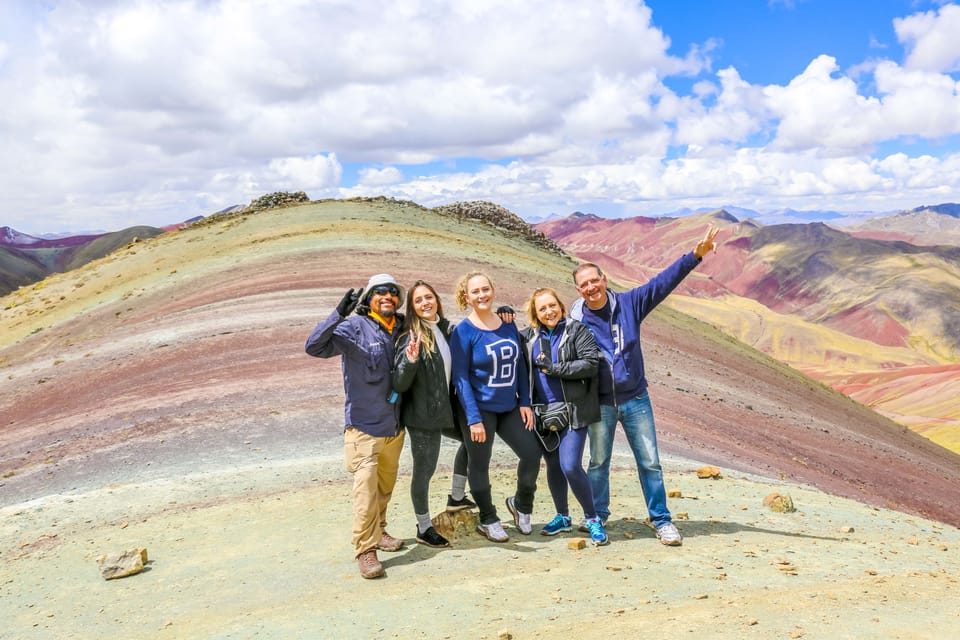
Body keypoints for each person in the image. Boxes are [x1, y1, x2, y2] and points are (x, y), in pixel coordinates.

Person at [570, 226, 720, 546]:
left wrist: (696, 256)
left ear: (604, 280)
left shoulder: (630, 304)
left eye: (594, 280)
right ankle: (598, 516)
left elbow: (662, 284)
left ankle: (661, 519)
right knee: (598, 462)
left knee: (649, 461)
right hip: (600, 404)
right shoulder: (575, 322)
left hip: (636, 397)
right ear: (578, 291)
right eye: (584, 285)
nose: (591, 287)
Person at [305, 274, 407, 579]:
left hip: (395, 426)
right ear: (369, 298)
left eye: (392, 292)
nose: (387, 296)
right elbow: (314, 346)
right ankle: (365, 549)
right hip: (364, 427)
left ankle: (381, 532)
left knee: (384, 488)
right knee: (365, 491)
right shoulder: (352, 327)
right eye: (379, 292)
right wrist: (338, 314)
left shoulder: (401, 328)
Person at [449, 271, 541, 542]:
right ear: (467, 297)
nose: (482, 295)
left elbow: (521, 365)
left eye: (485, 289)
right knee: (480, 464)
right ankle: (488, 518)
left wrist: (524, 401)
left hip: (509, 406)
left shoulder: (507, 324)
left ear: (493, 289)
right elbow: (461, 378)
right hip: (480, 409)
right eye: (475, 292)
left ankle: (521, 505)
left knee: (531, 453)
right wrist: (474, 418)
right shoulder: (463, 332)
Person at [521, 287, 608, 546]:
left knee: (570, 465)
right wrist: (503, 318)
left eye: (552, 306)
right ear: (535, 314)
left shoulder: (576, 330)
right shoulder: (528, 337)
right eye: (542, 308)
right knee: (554, 465)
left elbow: (590, 363)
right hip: (544, 414)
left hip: (574, 412)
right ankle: (563, 516)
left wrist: (554, 369)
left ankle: (592, 518)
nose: (549, 312)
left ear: (560, 306)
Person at [392, 280, 475, 549]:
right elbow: (400, 383)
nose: (426, 303)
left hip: (443, 411)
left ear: (436, 300)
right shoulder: (410, 337)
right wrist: (411, 360)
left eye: (429, 297)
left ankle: (456, 497)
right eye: (419, 301)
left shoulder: (442, 328)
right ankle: (424, 527)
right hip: (422, 418)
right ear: (413, 308)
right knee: (424, 471)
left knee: (472, 440)